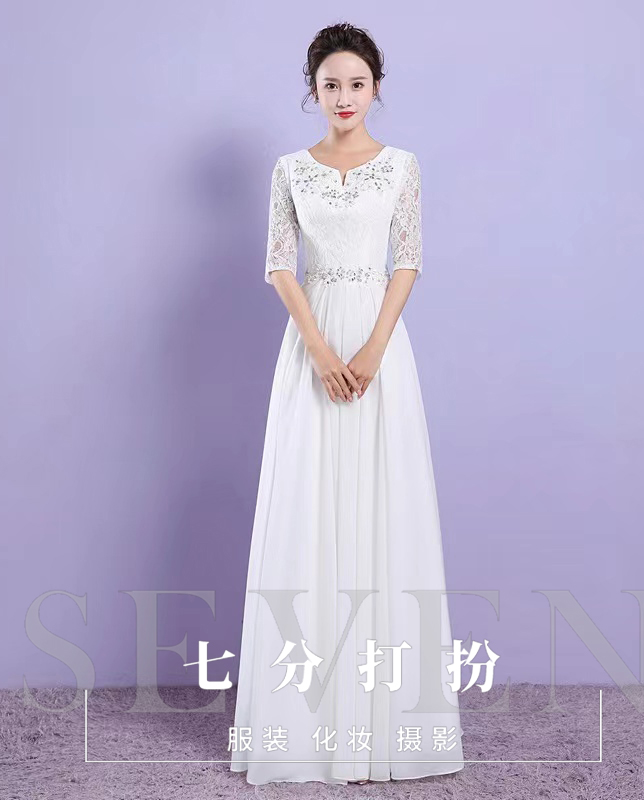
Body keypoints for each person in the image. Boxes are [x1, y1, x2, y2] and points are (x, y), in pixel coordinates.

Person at [230, 22, 465, 786]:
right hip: (310, 348)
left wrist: (369, 351)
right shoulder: (290, 171)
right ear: (313, 90)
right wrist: (322, 353)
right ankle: (306, 725)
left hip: (380, 350)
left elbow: (408, 262)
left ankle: (383, 727)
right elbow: (280, 265)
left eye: (356, 84)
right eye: (330, 84)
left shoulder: (402, 167)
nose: (343, 96)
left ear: (375, 89)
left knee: (382, 508)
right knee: (309, 509)